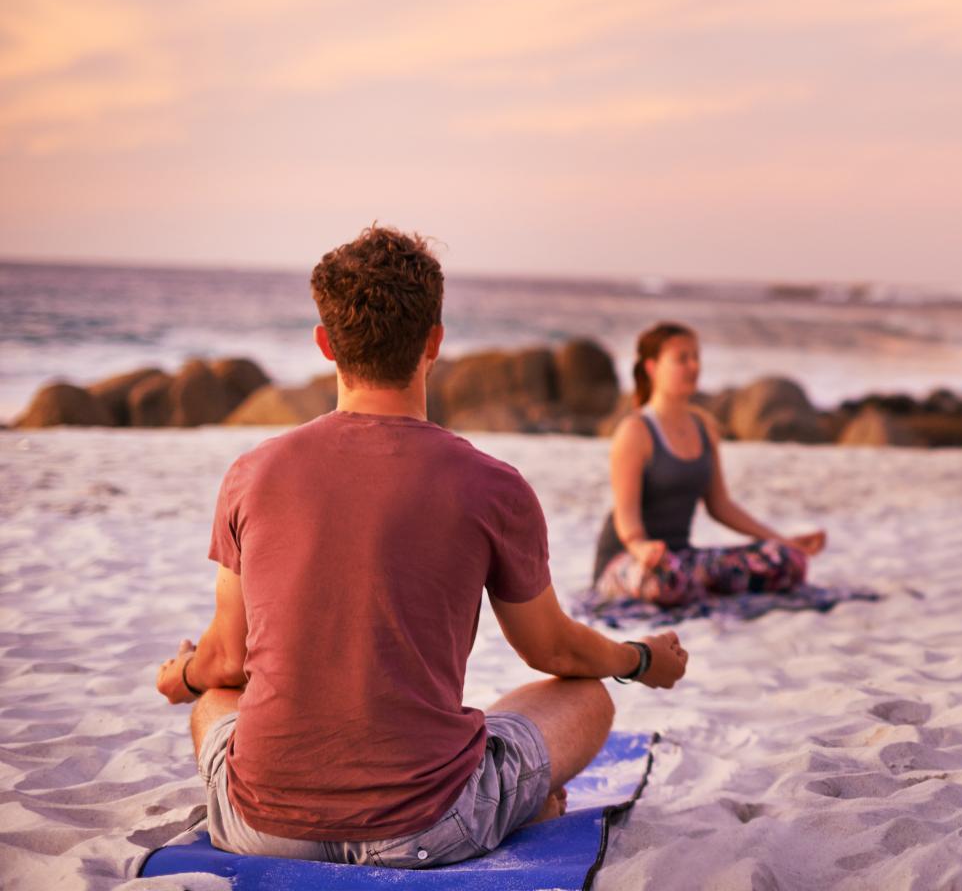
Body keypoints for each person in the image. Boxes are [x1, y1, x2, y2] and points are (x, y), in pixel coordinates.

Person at [151, 225, 690, 869]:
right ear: (434, 341)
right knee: (589, 695)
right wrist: (637, 658)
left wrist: (180, 676)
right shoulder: (493, 484)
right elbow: (553, 650)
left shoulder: (253, 472)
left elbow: (225, 662)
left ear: (325, 344)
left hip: (262, 827)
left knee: (217, 702)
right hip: (430, 829)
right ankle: (516, 803)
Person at [592, 322, 826, 604]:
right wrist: (640, 546)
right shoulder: (635, 431)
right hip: (628, 559)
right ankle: (697, 585)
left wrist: (781, 541)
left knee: (788, 561)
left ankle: (700, 584)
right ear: (652, 368)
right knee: (667, 580)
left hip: (682, 558)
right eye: (682, 359)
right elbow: (625, 514)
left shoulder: (703, 426)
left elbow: (720, 505)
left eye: (696, 357)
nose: (693, 366)